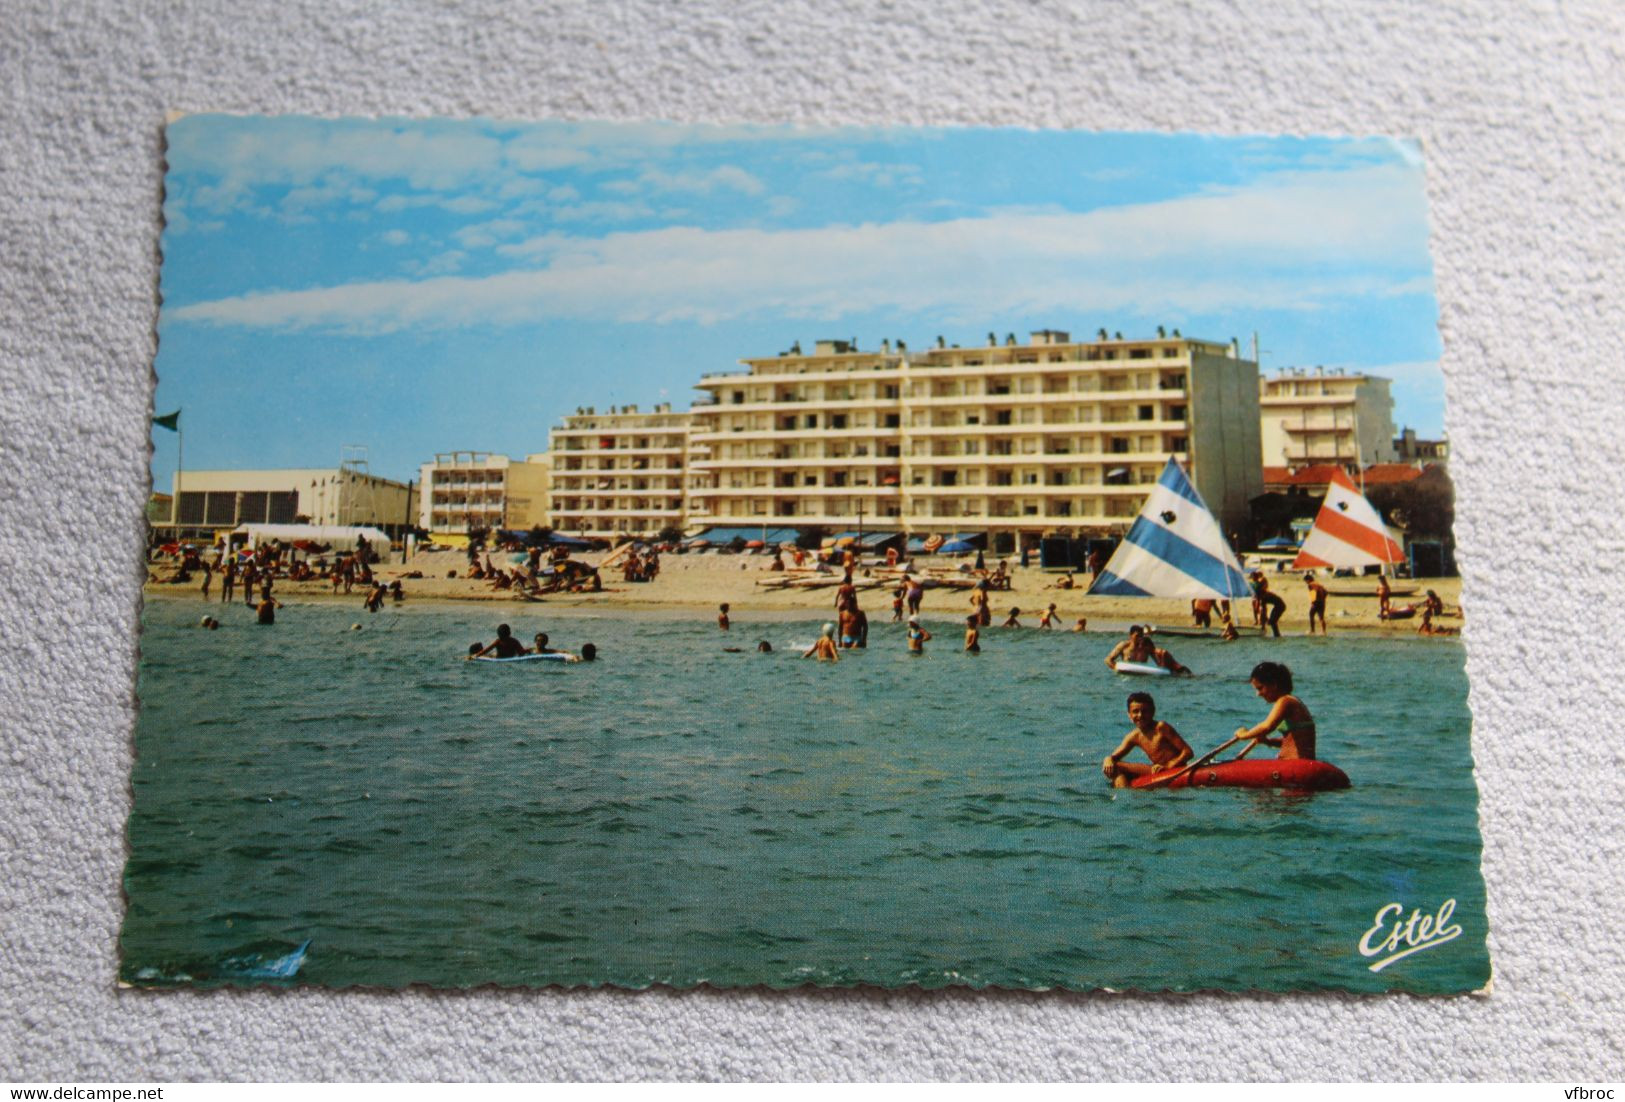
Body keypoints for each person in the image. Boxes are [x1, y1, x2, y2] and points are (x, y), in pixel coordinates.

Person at [1101, 692, 1194, 788]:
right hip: (1157, 770)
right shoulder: (1134, 736)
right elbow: (1114, 757)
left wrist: (1169, 766)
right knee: (1114, 767)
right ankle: (1124, 795)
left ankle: (1124, 797)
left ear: (1153, 712)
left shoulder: (1161, 727)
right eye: (1135, 711)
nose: (1140, 715)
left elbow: (1188, 752)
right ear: (1129, 714)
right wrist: (1107, 759)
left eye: (1145, 711)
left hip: (1174, 768)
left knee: (1117, 767)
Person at [1235, 661, 1316, 760]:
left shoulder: (1285, 701)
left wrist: (1243, 735)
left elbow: (1266, 726)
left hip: (1296, 764)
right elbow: (1292, 742)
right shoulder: (1293, 701)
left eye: (1260, 688)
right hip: (1297, 763)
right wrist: (1268, 741)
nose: (1258, 694)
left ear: (1273, 684)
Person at [1103, 624, 1191, 675]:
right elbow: (1108, 660)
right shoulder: (1123, 646)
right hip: (1126, 674)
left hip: (1142, 675)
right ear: (1130, 635)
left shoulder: (1146, 647)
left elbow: (1158, 662)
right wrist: (1116, 668)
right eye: (1137, 636)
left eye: (1141, 636)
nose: (1140, 638)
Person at [1253, 571, 1286, 637]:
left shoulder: (1263, 596)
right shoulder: (1262, 595)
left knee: (1272, 621)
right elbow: (1263, 610)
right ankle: (1276, 635)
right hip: (1278, 606)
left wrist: (1258, 612)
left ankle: (1277, 635)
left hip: (1281, 606)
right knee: (1271, 621)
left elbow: (1260, 606)